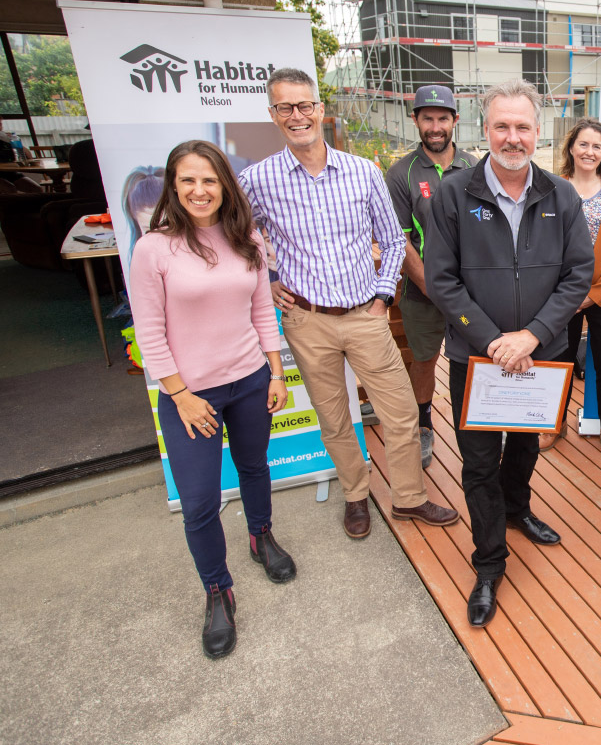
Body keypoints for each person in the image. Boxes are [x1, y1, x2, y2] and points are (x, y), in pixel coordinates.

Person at [239, 67, 459, 541]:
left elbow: (393, 239)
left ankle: (409, 498)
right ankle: (355, 498)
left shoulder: (363, 171)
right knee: (335, 418)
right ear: (273, 115)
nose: (296, 115)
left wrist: (382, 297)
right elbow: (238, 239)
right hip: (306, 320)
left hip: (365, 315)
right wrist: (268, 279)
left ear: (319, 109)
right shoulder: (256, 180)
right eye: (284, 107)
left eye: (304, 105)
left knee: (401, 414)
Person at [424, 78, 593, 628]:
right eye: (502, 125)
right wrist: (495, 339)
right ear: (485, 128)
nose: (512, 137)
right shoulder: (453, 193)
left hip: (543, 354)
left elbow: (578, 276)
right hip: (478, 356)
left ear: (538, 133)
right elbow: (442, 280)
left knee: (524, 446)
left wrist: (533, 336)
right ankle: (489, 562)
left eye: (523, 127)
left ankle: (517, 508)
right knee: (477, 462)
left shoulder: (562, 196)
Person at [128, 140, 294, 659]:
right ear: (174, 188)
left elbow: (262, 309)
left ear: (225, 185)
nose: (200, 191)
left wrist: (275, 371)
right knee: (199, 502)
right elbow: (149, 334)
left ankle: (260, 535)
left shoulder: (245, 236)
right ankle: (217, 590)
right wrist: (181, 395)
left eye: (210, 180)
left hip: (248, 379)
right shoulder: (153, 248)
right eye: (188, 181)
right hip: (189, 395)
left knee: (254, 467)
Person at [385, 85, 477, 468]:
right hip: (424, 293)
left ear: (455, 120)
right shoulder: (400, 172)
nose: (435, 126)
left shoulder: (475, 167)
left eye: (443, 118)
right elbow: (399, 240)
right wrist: (434, 288)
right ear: (416, 121)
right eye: (428, 118)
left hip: (472, 293)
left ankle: (482, 425)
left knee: (477, 359)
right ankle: (424, 425)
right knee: (423, 360)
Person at [540, 117, 601, 464]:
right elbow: (544, 244)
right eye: (583, 144)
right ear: (571, 148)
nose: (589, 151)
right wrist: (568, 293)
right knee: (559, 361)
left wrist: (592, 296)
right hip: (561, 295)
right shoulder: (552, 188)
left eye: (597, 146)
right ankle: (555, 424)